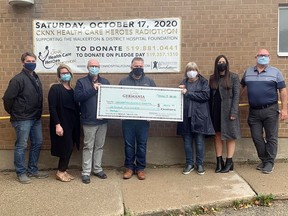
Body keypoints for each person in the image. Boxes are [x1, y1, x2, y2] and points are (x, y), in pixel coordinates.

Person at [2, 52, 48, 184]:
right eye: (29, 61)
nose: (31, 62)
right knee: (21, 145)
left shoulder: (36, 78)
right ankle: (21, 172)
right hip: (22, 119)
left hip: (35, 117)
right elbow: (7, 99)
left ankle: (33, 170)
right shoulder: (18, 79)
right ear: (23, 63)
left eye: (33, 60)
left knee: (37, 142)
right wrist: (15, 113)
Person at [241, 48, 287, 174]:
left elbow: (282, 91)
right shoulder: (248, 72)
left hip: (270, 110)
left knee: (271, 137)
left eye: (266, 55)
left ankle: (270, 162)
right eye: (261, 55)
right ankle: (264, 159)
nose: (263, 57)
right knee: (256, 137)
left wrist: (284, 109)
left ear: (269, 57)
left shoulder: (275, 72)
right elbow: (241, 88)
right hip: (254, 111)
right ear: (256, 57)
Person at [119, 57, 156, 180]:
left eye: (140, 66)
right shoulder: (123, 82)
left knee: (142, 144)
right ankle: (129, 168)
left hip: (143, 121)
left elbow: (155, 99)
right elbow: (118, 99)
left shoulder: (149, 82)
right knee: (128, 144)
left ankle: (140, 169)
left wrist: (152, 113)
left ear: (143, 67)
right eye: (136, 66)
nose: (138, 68)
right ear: (131, 67)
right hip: (128, 121)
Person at [74, 59, 110, 184]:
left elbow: (109, 100)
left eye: (96, 66)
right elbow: (77, 97)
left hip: (102, 121)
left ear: (99, 67)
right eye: (92, 66)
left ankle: (97, 169)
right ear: (87, 67)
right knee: (88, 146)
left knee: (99, 146)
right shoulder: (81, 82)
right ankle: (85, 172)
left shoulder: (105, 82)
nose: (94, 68)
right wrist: (93, 89)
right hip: (88, 120)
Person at [177, 62, 215, 175]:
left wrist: (188, 93)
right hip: (185, 117)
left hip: (199, 117)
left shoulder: (203, 82)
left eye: (193, 69)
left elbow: (205, 96)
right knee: (187, 142)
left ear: (197, 71)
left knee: (199, 142)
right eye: (189, 69)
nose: (191, 72)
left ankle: (200, 164)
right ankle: (189, 164)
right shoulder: (183, 82)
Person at [48, 64, 80, 182]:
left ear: (71, 74)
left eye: (67, 73)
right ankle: (60, 172)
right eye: (63, 73)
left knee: (70, 146)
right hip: (62, 123)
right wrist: (57, 124)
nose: (65, 75)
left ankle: (64, 170)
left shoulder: (72, 89)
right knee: (65, 147)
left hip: (72, 123)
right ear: (59, 75)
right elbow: (52, 108)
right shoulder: (55, 88)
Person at [209, 55, 241, 173]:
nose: (221, 64)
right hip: (216, 111)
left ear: (226, 64)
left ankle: (229, 162)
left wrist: (234, 112)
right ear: (216, 64)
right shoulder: (213, 78)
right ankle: (219, 161)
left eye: (223, 62)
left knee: (230, 136)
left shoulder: (233, 77)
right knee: (217, 135)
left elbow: (237, 96)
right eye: (219, 62)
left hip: (229, 112)